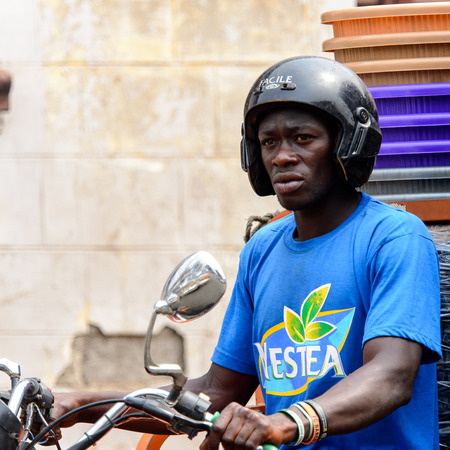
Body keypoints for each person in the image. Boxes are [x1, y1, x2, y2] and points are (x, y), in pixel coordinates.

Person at [51, 56, 442, 449]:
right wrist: (81, 404)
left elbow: (391, 374)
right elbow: (217, 392)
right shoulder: (263, 250)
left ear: (346, 144)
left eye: (303, 138)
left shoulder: (393, 237)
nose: (281, 156)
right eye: (269, 142)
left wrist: (286, 423)